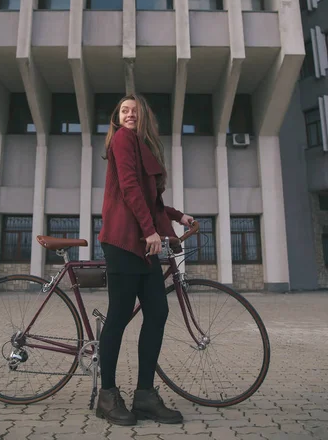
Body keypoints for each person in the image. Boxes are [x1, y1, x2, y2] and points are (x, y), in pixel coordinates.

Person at [96, 94, 194, 426]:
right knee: (119, 316)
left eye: (134, 111)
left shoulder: (142, 146)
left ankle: (145, 395)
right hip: (124, 240)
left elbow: (150, 199)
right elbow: (129, 188)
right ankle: (107, 395)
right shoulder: (122, 140)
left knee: (157, 311)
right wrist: (152, 231)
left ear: (145, 117)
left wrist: (178, 216)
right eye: (123, 110)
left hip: (144, 242)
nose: (128, 114)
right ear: (117, 117)